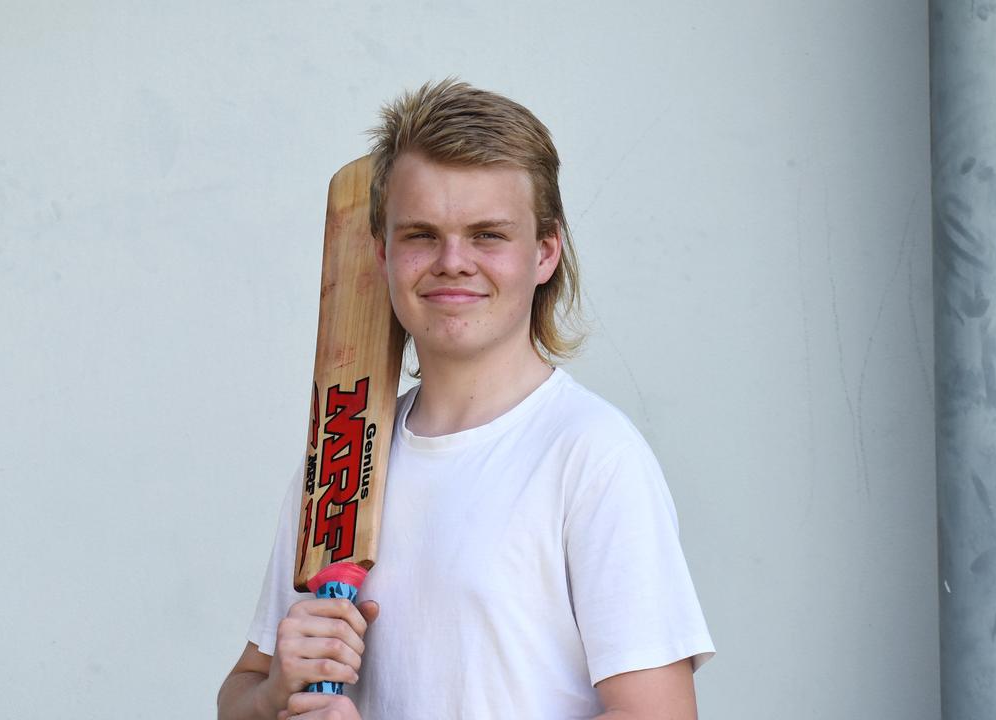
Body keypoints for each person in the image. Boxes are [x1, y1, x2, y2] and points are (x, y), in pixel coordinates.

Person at [217, 79, 714, 720]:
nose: (453, 261)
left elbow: (659, 715)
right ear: (382, 252)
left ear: (544, 252)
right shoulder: (342, 458)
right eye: (422, 234)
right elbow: (239, 694)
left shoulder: (591, 456)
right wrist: (273, 695)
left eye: (487, 235)